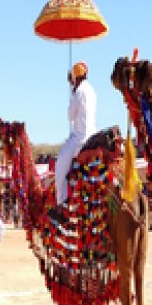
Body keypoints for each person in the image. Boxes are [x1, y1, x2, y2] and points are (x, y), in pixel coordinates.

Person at [55, 61, 97, 205]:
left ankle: (61, 200)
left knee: (60, 164)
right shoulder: (91, 90)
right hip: (92, 134)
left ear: (75, 78)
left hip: (80, 137)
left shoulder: (79, 92)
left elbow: (70, 116)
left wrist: (72, 90)